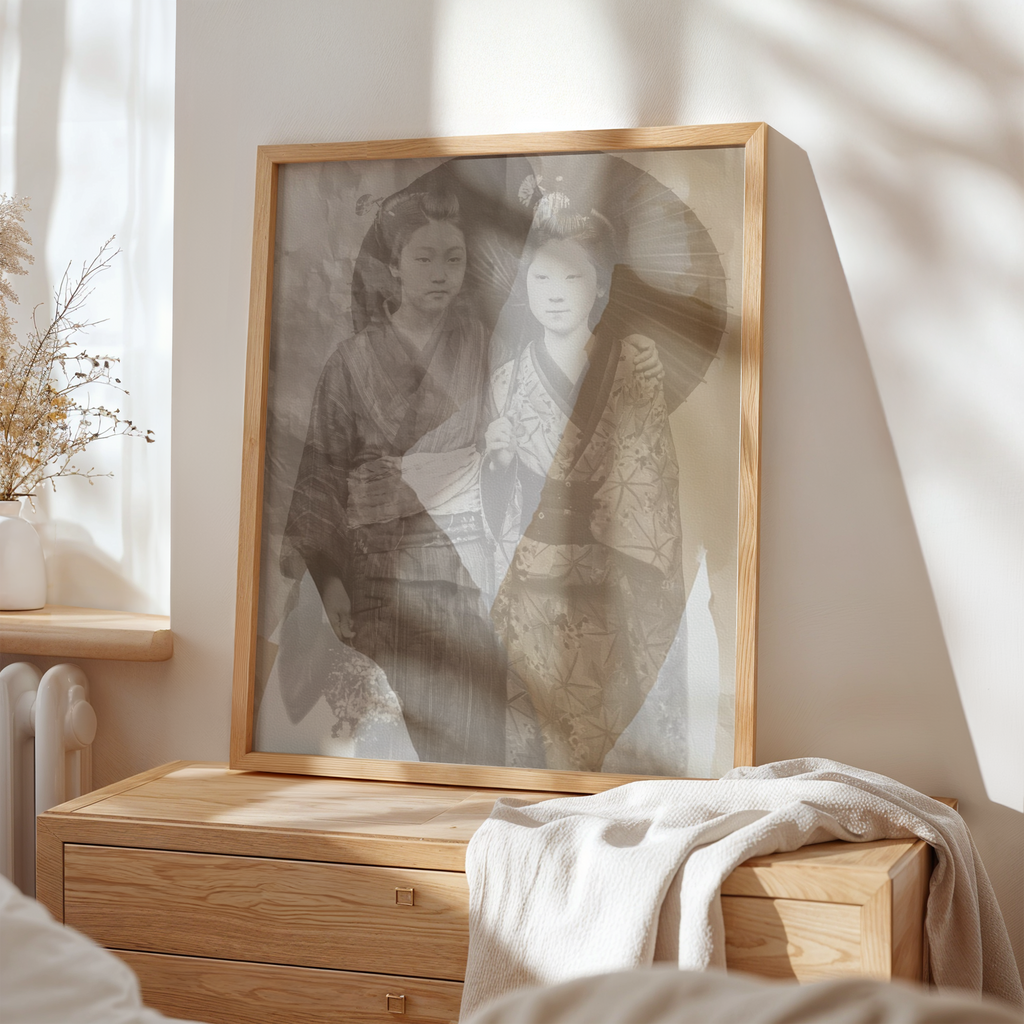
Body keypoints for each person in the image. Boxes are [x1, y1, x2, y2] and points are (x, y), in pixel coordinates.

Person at [281, 189, 506, 766]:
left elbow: (513, 448)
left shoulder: (485, 349)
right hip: (378, 573)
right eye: (424, 258)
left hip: (466, 568)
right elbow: (322, 475)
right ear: (394, 265)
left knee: (470, 734)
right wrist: (329, 579)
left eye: (453, 258)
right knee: (391, 742)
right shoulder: (352, 361)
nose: (440, 273)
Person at [485, 200, 685, 772]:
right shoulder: (507, 380)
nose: (554, 292)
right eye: (540, 277)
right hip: (531, 588)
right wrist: (497, 464)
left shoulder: (633, 367)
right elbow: (500, 506)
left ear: (599, 285)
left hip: (611, 580)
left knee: (601, 746)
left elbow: (653, 483)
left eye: (572, 276)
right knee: (536, 743)